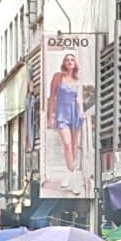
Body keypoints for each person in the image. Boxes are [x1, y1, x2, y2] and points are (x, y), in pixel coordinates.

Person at [47, 52, 86, 193]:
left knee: (75, 146)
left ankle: (68, 174)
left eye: (72, 60)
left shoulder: (77, 80)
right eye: (67, 60)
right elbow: (52, 97)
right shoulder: (58, 77)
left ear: (75, 64)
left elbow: (79, 98)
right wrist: (51, 115)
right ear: (64, 63)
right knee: (68, 145)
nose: (70, 62)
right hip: (62, 113)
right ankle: (73, 175)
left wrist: (81, 112)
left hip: (75, 113)